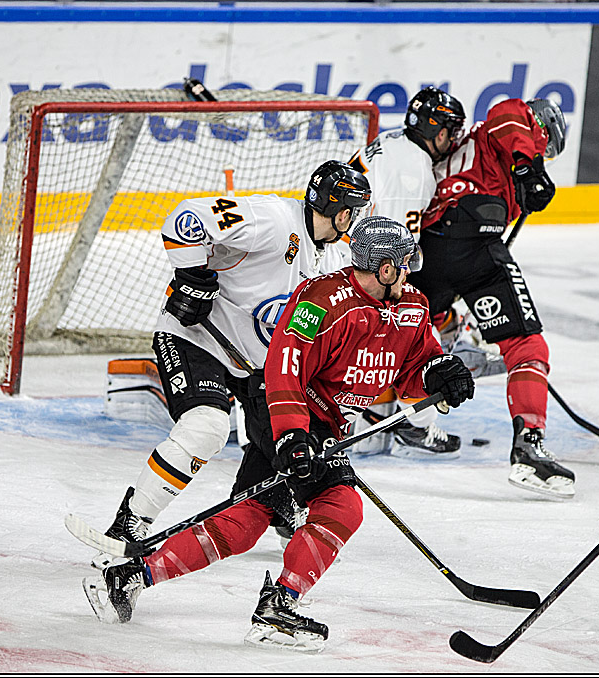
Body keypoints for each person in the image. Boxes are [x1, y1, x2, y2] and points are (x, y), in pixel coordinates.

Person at [83, 217, 475, 653]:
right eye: (403, 264)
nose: (409, 273)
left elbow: (413, 371)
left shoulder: (413, 306)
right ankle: (279, 607)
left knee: (245, 523)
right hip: (284, 409)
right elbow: (283, 368)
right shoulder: (321, 301)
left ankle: (130, 577)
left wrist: (440, 375)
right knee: (342, 505)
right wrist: (291, 435)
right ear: (384, 269)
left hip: (323, 424)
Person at [94, 160, 372, 554]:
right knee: (206, 426)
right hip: (197, 339)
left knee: (293, 439)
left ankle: (277, 504)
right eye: (354, 211)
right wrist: (192, 278)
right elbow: (186, 219)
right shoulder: (274, 219)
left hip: (258, 366)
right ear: (342, 212)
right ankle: (130, 522)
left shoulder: (332, 260)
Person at [409, 94, 571, 497]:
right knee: (527, 344)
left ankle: (398, 418)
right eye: (544, 150)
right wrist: (529, 167)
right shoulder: (507, 124)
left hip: (431, 246)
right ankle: (529, 445)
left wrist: (525, 174)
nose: (541, 157)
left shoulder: (475, 151)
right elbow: (507, 114)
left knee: (419, 330)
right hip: (472, 237)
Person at [345, 86, 468, 458]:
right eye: (450, 130)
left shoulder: (394, 141)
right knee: (419, 330)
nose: (453, 139)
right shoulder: (413, 170)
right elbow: (392, 245)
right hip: (357, 267)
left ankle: (373, 415)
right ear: (436, 130)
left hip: (341, 256)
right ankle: (414, 425)